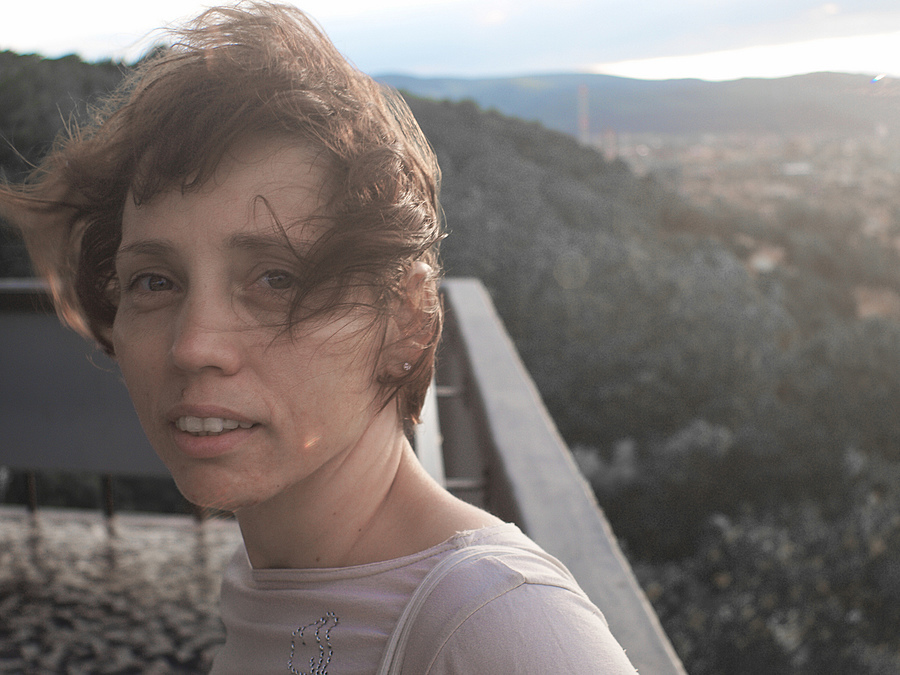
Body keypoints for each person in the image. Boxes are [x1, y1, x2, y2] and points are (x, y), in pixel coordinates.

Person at [0, 3, 638, 673]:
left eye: (277, 278)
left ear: (408, 318)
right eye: (155, 281)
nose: (193, 347)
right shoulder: (268, 575)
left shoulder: (497, 624)